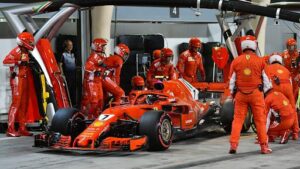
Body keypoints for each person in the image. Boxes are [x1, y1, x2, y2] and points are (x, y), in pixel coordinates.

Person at [228, 35, 272, 154]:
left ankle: (233, 145)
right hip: (256, 94)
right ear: (254, 45)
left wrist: (232, 94)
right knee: (260, 120)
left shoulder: (236, 61)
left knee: (237, 120)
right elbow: (267, 82)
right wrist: (265, 93)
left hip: (240, 95)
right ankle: (263, 146)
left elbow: (231, 81)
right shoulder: (260, 61)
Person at [3, 32, 35, 137]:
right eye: (29, 42)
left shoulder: (25, 51)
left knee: (23, 105)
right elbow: (5, 61)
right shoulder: (17, 51)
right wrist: (18, 62)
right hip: (17, 79)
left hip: (24, 79)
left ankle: (22, 128)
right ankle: (10, 129)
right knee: (16, 104)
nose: (31, 43)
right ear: (23, 42)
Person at [265, 53, 299, 140]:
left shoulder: (267, 68)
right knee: (292, 109)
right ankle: (295, 132)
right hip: (288, 89)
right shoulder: (286, 70)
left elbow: (265, 83)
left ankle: (270, 133)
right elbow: (291, 84)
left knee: (271, 109)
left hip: (276, 88)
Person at [81, 38, 107, 119]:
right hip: (91, 82)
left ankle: (96, 117)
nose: (105, 48)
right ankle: (89, 117)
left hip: (97, 81)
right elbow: (87, 67)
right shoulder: (93, 56)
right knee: (94, 101)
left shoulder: (100, 57)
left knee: (100, 100)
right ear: (98, 47)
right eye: (103, 46)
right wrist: (96, 70)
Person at [60, 39, 76, 106]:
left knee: (73, 89)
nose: (71, 46)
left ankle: (73, 103)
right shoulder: (63, 54)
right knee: (68, 89)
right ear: (66, 46)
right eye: (69, 45)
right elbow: (60, 64)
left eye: (72, 45)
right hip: (67, 74)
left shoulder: (73, 54)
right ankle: (68, 104)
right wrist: (62, 74)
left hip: (73, 74)